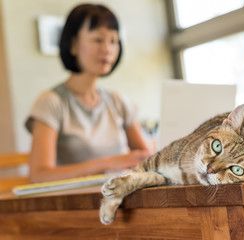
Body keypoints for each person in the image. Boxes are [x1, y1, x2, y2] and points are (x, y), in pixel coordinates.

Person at [25, 4, 152, 183]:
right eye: (98, 40)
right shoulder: (51, 102)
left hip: (121, 198)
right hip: (76, 205)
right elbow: (39, 175)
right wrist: (106, 164)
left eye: (114, 41)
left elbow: (149, 159)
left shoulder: (118, 101)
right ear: (74, 44)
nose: (108, 49)